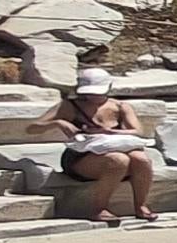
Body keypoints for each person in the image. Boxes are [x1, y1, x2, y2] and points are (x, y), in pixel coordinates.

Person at [34, 66, 161, 224]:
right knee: (118, 160)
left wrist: (110, 132)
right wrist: (57, 123)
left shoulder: (120, 107)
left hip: (114, 147)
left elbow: (137, 130)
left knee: (141, 159)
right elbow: (32, 128)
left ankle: (141, 206)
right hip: (82, 157)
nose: (94, 96)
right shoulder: (69, 106)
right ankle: (98, 209)